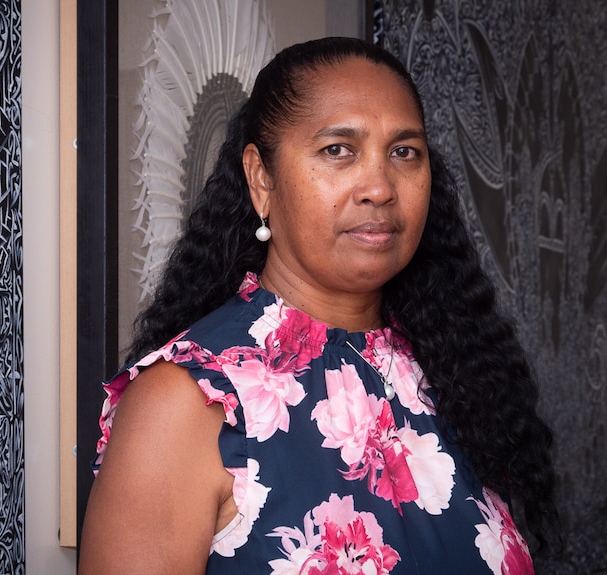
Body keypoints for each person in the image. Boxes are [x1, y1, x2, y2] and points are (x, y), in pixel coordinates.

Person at [79, 37, 558, 575]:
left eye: (404, 152)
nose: (379, 187)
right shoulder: (186, 403)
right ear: (262, 179)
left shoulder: (456, 372)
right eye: (338, 150)